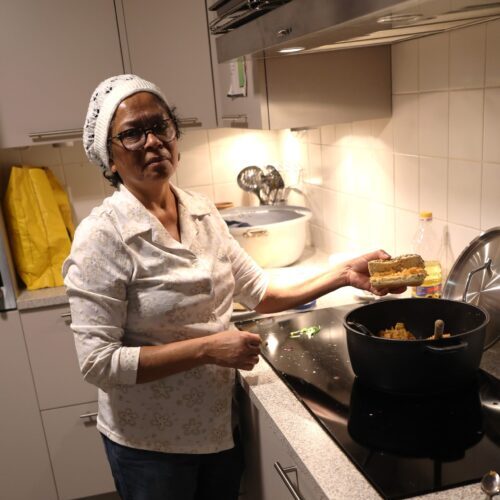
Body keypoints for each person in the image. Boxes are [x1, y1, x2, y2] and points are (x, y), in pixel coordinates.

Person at [62, 74, 403, 500]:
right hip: (151, 448)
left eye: (160, 126)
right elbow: (97, 363)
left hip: (219, 427)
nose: (152, 142)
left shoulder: (201, 211)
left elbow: (262, 293)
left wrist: (343, 273)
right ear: (109, 158)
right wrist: (207, 349)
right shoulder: (102, 236)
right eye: (132, 133)